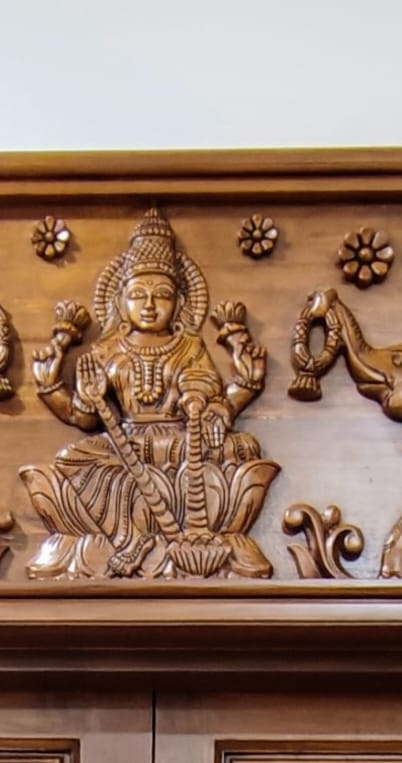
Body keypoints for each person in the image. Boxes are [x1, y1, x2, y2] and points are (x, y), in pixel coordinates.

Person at [20, 209, 277, 579]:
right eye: (138, 295)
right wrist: (52, 388)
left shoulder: (189, 345)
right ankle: (134, 539)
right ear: (120, 301)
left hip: (182, 443)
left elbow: (209, 397)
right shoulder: (107, 349)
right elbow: (85, 417)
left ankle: (156, 537)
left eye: (162, 295)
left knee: (242, 450)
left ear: (180, 303)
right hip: (125, 442)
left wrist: (237, 393)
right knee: (70, 460)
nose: (150, 305)